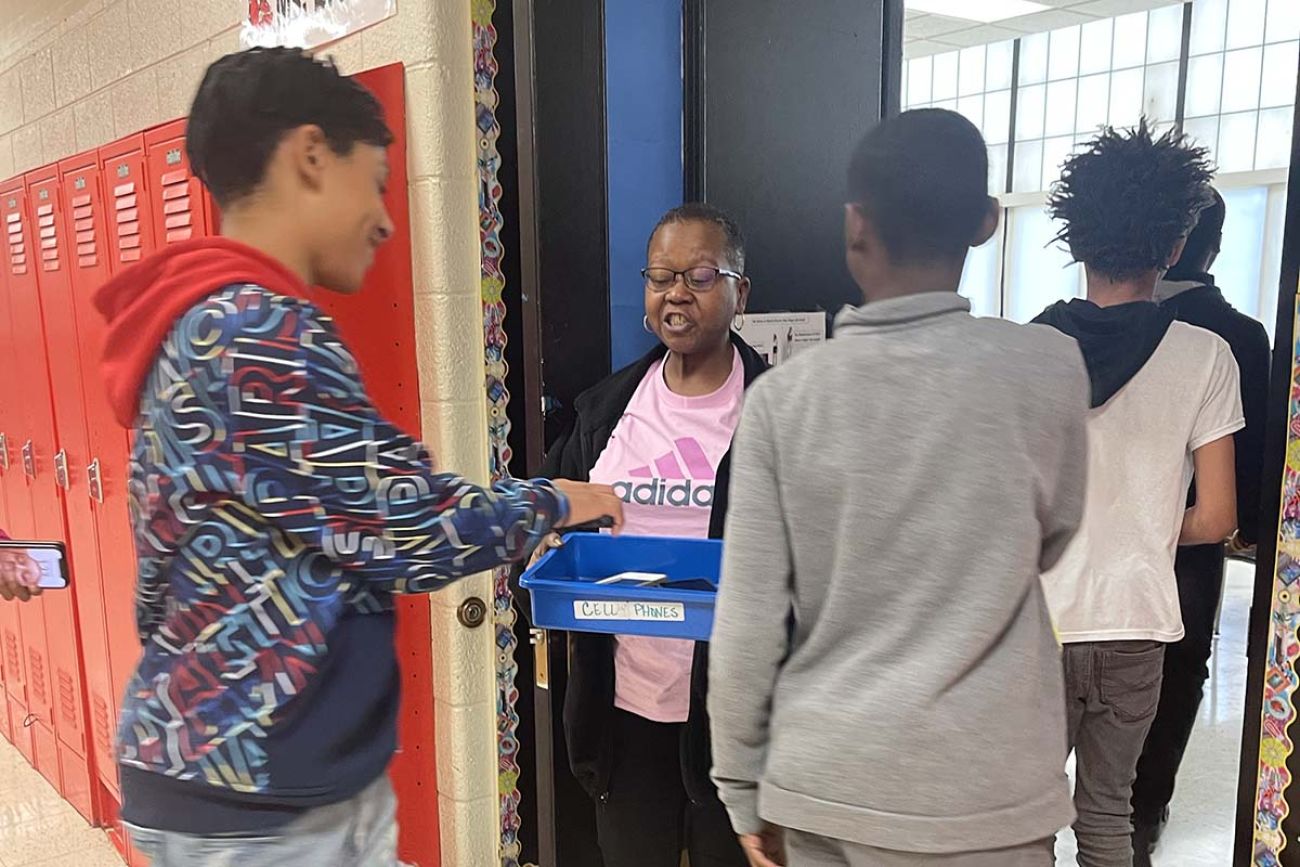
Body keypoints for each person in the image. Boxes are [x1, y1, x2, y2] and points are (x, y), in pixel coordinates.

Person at [91, 48, 622, 866]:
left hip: (228, 772)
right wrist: (558, 498)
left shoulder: (197, 322)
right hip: (260, 799)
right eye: (374, 181)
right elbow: (411, 527)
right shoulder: (258, 335)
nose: (383, 217)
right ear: (310, 156)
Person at [708, 108, 1090, 867]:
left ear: (855, 226)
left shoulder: (785, 399)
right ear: (984, 223)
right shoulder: (1048, 367)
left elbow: (747, 619)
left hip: (823, 781)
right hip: (988, 794)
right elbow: (1055, 533)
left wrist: (742, 790)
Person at [1033, 122, 1242, 867]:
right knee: (1108, 818)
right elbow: (1218, 516)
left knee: (1025, 824)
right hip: (1136, 627)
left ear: (1077, 236)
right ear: (1176, 243)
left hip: (1041, 624)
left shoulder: (1029, 346)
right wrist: (1146, 519)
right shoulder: (1205, 355)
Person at [538, 202, 764, 867]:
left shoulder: (780, 413)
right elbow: (549, 509)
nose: (676, 293)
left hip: (738, 719)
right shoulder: (605, 410)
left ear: (738, 291)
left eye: (698, 275)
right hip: (625, 710)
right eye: (661, 275)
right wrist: (553, 536)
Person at [1130, 190, 1272, 863]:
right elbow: (1251, 459)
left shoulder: (1107, 320)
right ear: (1208, 246)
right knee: (1182, 664)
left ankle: (1098, 794)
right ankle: (1146, 805)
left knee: (1094, 659)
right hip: (1194, 535)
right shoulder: (1240, 334)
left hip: (1104, 532)